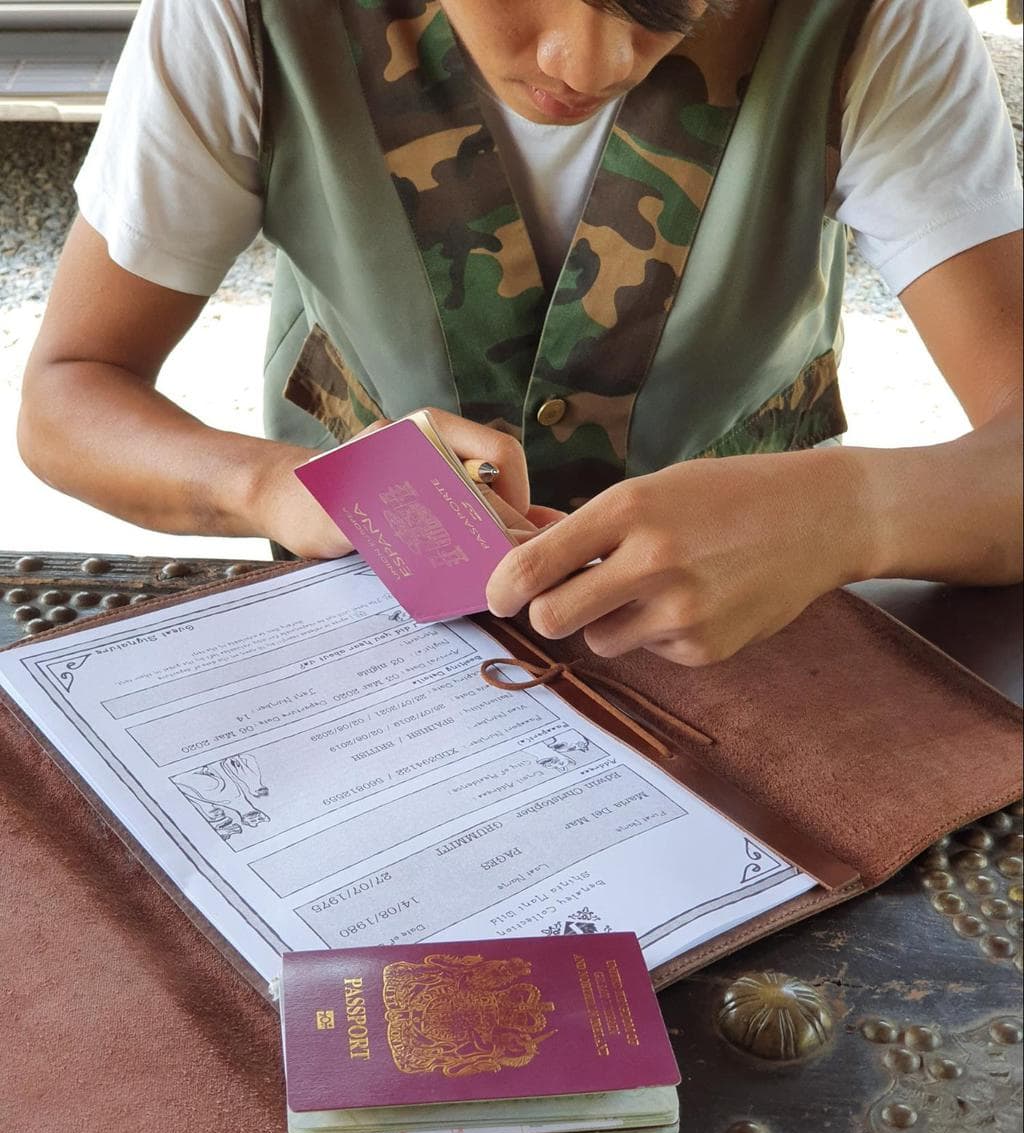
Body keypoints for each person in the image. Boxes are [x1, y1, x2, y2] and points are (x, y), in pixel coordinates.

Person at [17, 0, 1023, 667]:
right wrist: (281, 485)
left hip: (750, 652)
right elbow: (69, 394)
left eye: (669, 5)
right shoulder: (241, 16)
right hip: (373, 639)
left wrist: (849, 516)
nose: (587, 61)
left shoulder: (871, 21)